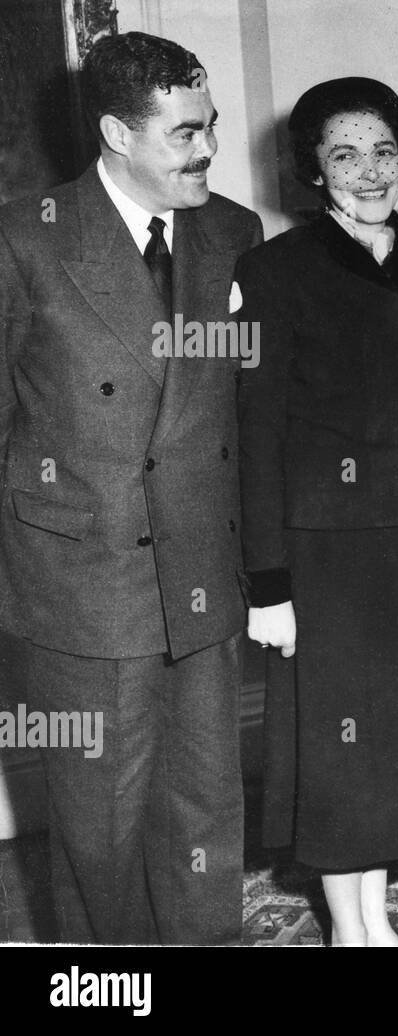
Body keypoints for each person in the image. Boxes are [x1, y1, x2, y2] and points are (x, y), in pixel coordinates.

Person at [0, 32, 261, 943]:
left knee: (204, 810)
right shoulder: (23, 236)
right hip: (83, 580)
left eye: (212, 126)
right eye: (185, 133)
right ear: (117, 132)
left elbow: (237, 414)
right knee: (98, 826)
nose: (208, 151)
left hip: (200, 568)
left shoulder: (234, 231)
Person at [236, 78, 398, 946]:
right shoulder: (271, 272)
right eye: (343, 153)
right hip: (320, 549)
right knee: (337, 748)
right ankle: (349, 928)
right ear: (313, 172)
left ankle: (375, 917)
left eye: (382, 150)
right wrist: (267, 582)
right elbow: (254, 434)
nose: (368, 171)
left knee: (395, 741)